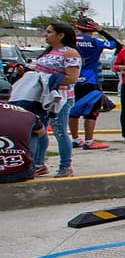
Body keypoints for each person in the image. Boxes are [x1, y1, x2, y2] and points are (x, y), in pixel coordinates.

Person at [34, 22, 82, 177]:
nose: (46, 35)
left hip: (59, 98)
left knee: (60, 131)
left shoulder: (70, 53)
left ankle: (65, 166)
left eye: (49, 32)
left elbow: (72, 78)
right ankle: (39, 163)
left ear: (61, 35)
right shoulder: (48, 52)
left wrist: (47, 80)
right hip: (42, 97)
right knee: (39, 131)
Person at [69, 19, 121, 151]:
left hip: (72, 78)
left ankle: (75, 139)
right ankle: (89, 141)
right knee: (91, 111)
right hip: (90, 80)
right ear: (93, 28)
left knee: (73, 110)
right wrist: (101, 31)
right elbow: (116, 45)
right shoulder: (95, 42)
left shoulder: (70, 40)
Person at [0, 100, 44, 182]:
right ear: (10, 95)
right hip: (20, 172)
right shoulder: (27, 113)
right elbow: (41, 132)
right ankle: (33, 164)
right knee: (35, 132)